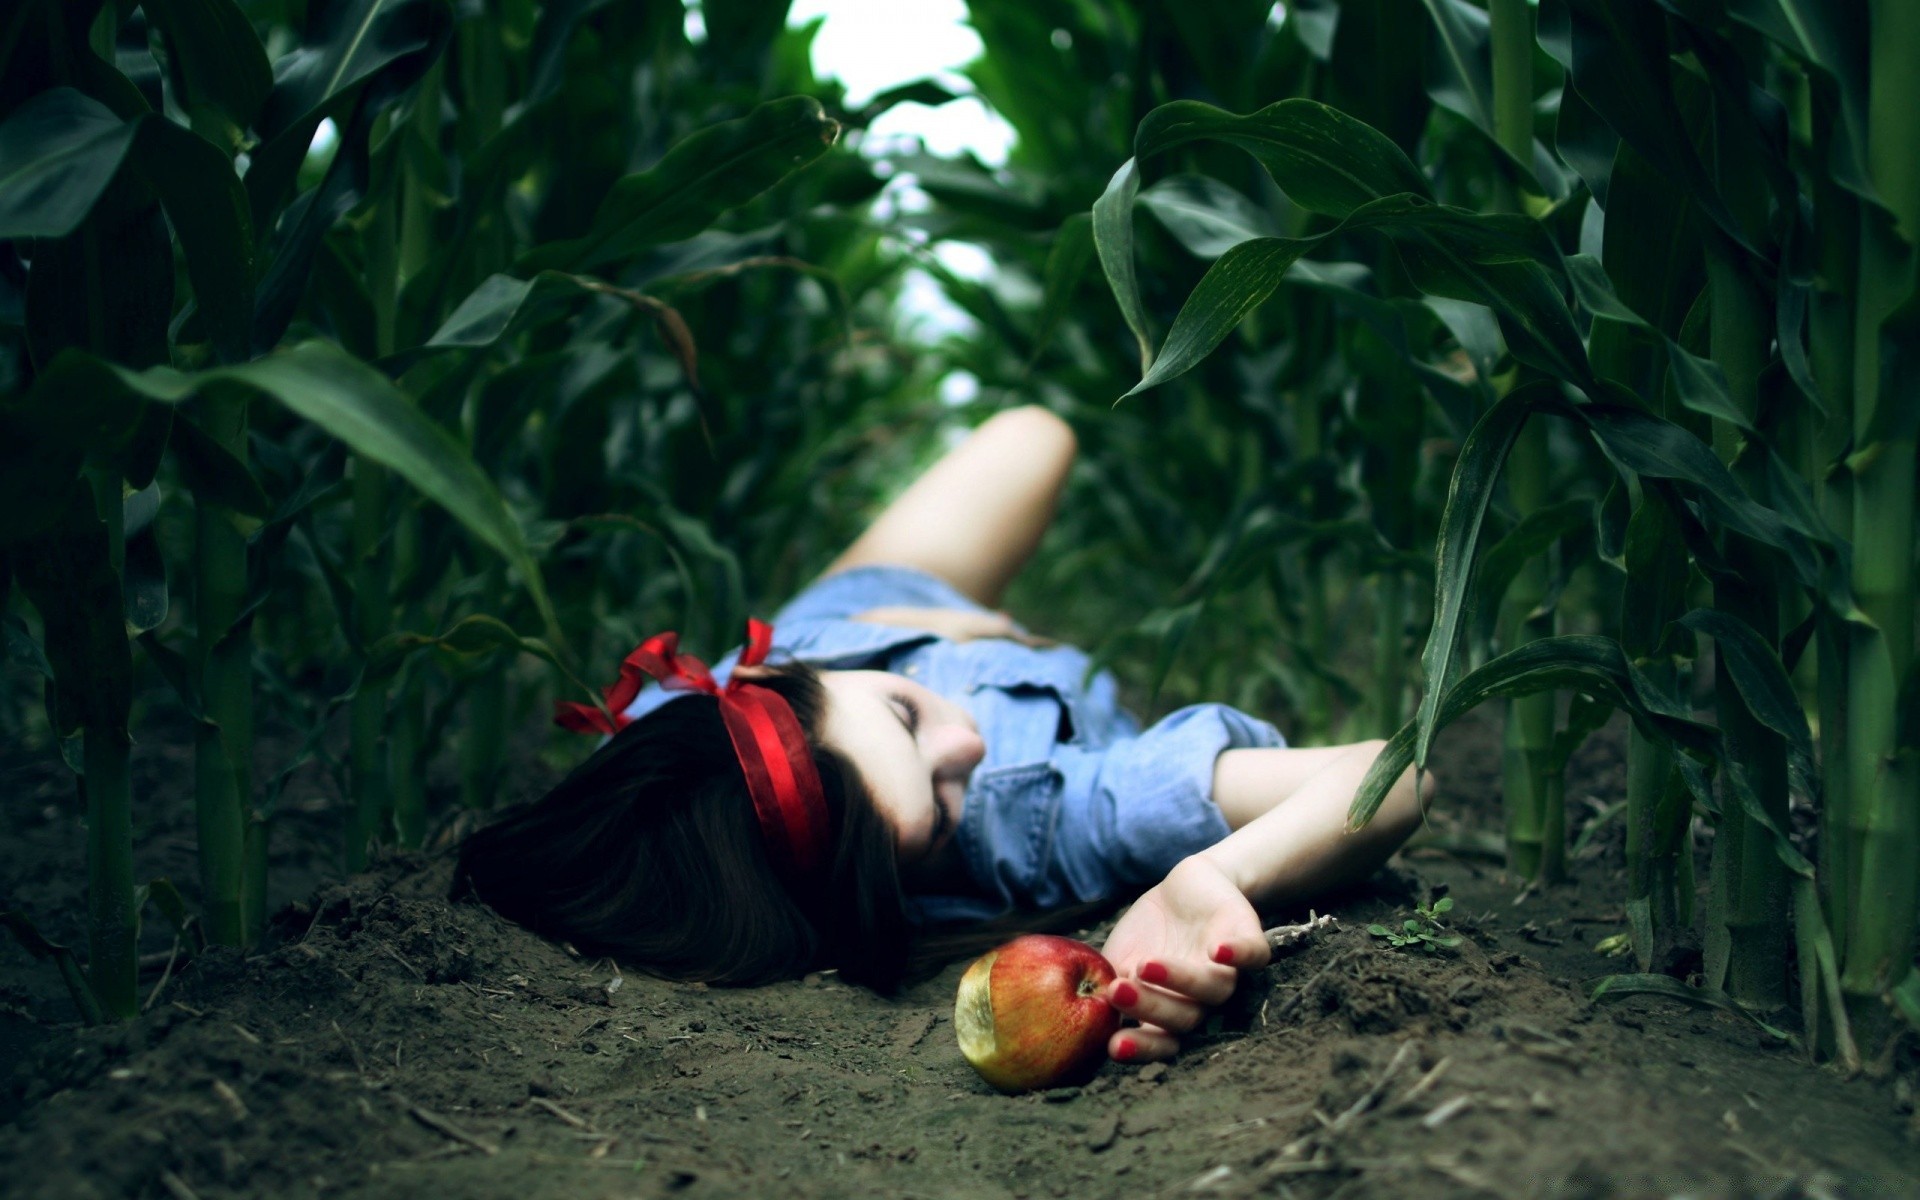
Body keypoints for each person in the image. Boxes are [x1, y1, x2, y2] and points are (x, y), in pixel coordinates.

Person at [454, 406, 1432, 1064]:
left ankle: (897, 670)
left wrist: (881, 654)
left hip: (858, 616)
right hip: (859, 659)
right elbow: (1394, 776)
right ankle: (974, 656)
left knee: (1033, 433)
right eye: (937, 806)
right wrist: (1214, 876)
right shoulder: (1040, 819)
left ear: (762, 682)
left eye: (904, 715)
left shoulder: (663, 786)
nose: (962, 746)